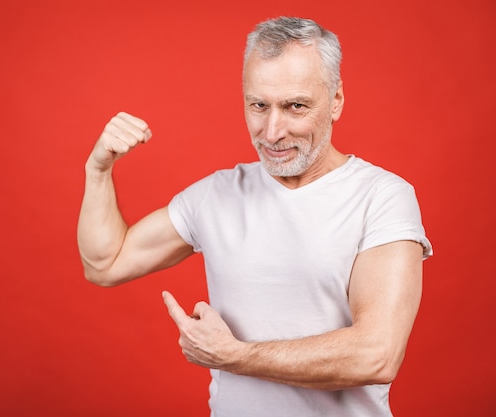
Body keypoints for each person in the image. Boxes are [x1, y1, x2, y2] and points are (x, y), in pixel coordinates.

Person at [77, 16, 432, 417]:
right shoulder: (217, 195)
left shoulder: (382, 196)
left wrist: (233, 356)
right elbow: (105, 263)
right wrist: (98, 170)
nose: (272, 131)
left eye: (295, 106)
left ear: (336, 101)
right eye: (259, 105)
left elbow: (377, 355)